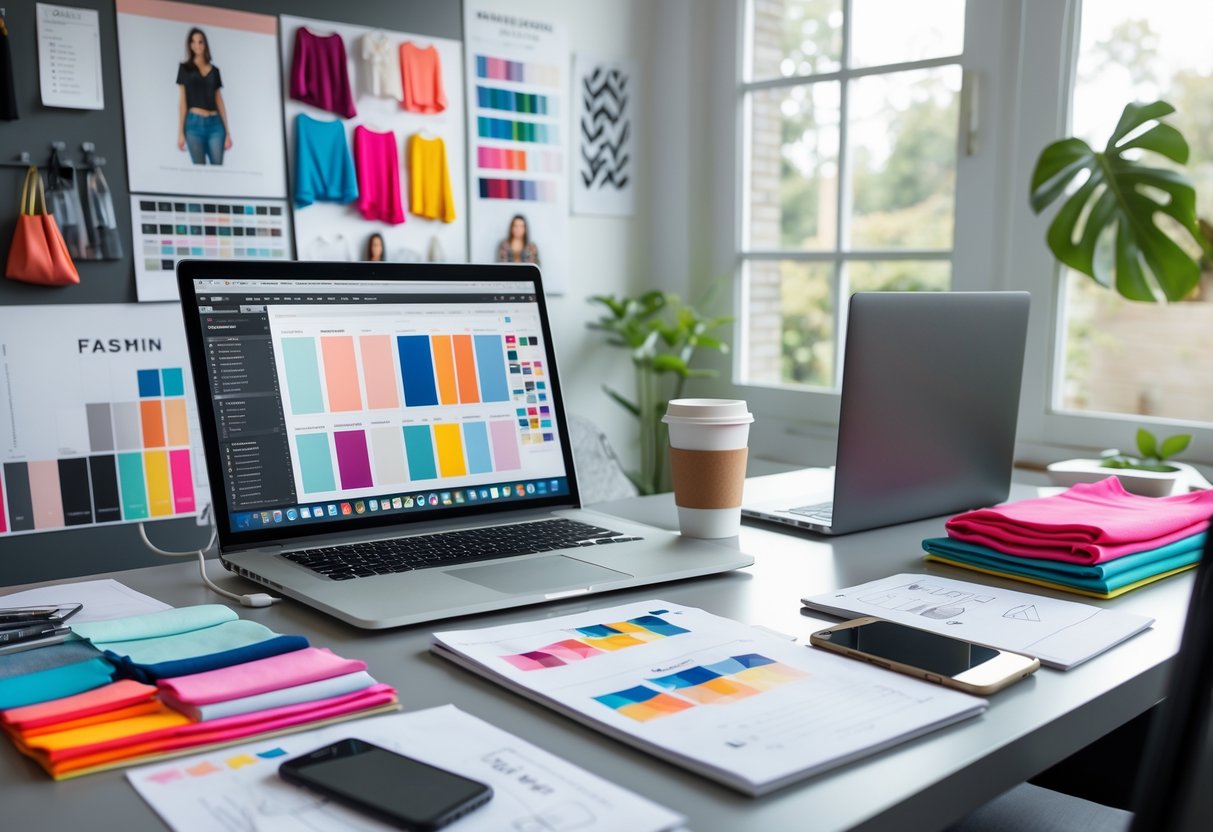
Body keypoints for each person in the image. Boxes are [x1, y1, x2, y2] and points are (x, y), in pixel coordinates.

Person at [177, 28, 232, 165]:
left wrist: (227, 132)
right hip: (193, 125)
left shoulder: (214, 71)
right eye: (193, 42)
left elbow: (219, 100)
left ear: (205, 44)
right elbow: (183, 101)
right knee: (199, 170)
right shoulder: (185, 69)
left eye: (200, 42)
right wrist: (181, 132)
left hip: (215, 124)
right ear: (190, 45)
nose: (197, 45)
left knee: (217, 168)